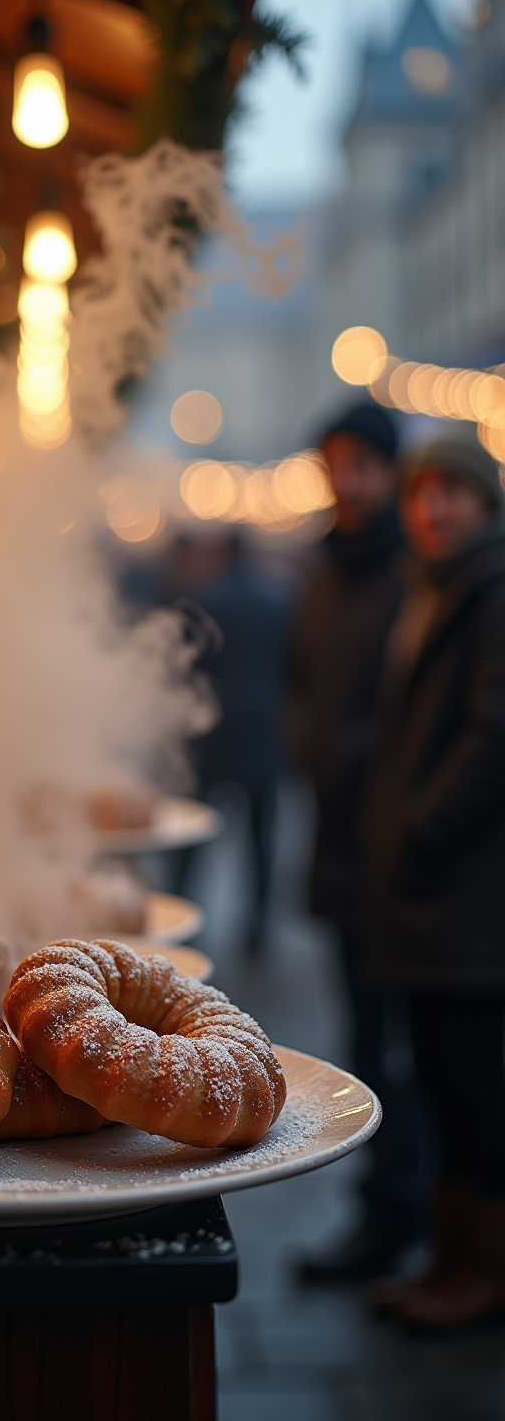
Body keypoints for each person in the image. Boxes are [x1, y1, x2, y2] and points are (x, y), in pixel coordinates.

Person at [364, 431, 505, 1329]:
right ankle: (449, 1258)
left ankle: (486, 1273)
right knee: (440, 1083)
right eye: (422, 493)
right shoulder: (436, 588)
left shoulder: (492, 592)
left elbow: (495, 736)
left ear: (485, 503)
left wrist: (420, 828)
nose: (433, 507)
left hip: (469, 897)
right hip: (427, 900)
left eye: (452, 492)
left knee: (477, 1086)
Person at [288, 402, 429, 1280]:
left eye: (362, 466)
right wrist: (308, 747)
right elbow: (300, 686)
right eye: (334, 464)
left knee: (411, 1048)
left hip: (405, 854)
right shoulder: (320, 574)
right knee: (365, 1037)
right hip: (343, 846)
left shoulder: (416, 577)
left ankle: (408, 1215)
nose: (346, 482)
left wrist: (353, 757)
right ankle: (388, 1212)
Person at [184, 533, 288, 952]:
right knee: (260, 842)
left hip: (215, 736)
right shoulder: (276, 602)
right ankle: (258, 927)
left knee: (195, 841)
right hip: (264, 735)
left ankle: (188, 917)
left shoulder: (207, 600)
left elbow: (190, 672)